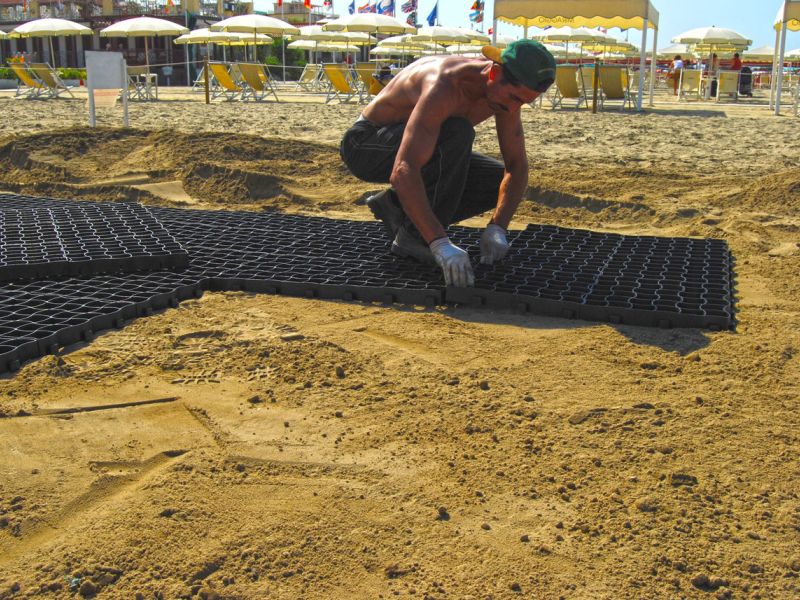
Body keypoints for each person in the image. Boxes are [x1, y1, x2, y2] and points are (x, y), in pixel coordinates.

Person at [339, 40, 555, 288]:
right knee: (457, 132)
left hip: (418, 146)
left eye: (523, 103)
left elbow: (516, 166)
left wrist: (498, 227)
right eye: (514, 98)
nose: (513, 108)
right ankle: (415, 237)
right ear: (494, 72)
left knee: (497, 183)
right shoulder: (444, 85)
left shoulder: (502, 94)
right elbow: (403, 170)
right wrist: (439, 242)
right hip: (366, 146)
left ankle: (397, 205)